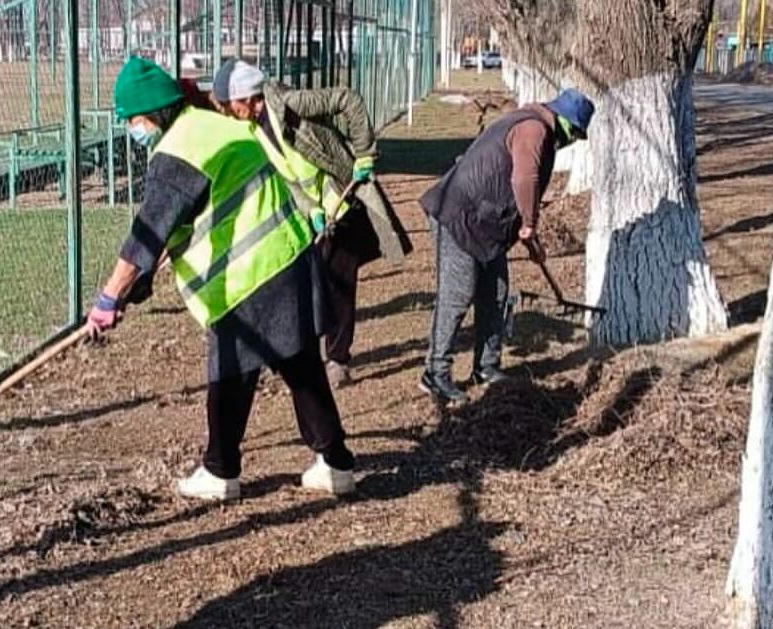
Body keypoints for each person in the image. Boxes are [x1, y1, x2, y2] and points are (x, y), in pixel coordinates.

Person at [88, 57, 356, 500]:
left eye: (132, 121)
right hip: (288, 255)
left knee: (230, 374)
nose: (132, 130)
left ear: (152, 114)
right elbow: (187, 219)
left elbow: (148, 232)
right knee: (301, 366)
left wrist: (108, 297)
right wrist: (139, 283)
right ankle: (336, 464)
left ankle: (220, 471)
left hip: (246, 278)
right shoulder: (214, 127)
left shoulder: (179, 150)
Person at [211, 58, 411, 387]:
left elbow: (347, 99)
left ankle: (337, 360)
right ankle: (296, 356)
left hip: (343, 200)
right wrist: (310, 210)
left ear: (246, 96)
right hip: (315, 213)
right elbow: (288, 179)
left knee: (338, 282)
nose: (228, 112)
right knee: (302, 283)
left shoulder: (290, 103)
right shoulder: (252, 130)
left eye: (229, 104)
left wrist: (364, 152)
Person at [418, 87, 594, 404]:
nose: (573, 141)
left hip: (486, 225)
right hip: (459, 215)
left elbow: (516, 195)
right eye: (576, 133)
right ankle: (435, 372)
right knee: (458, 293)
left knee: (496, 294)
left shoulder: (536, 126)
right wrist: (530, 223)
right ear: (565, 121)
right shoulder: (534, 129)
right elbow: (524, 180)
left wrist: (530, 238)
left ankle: (486, 367)